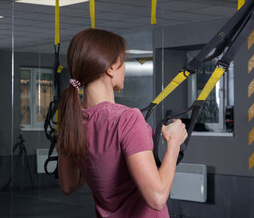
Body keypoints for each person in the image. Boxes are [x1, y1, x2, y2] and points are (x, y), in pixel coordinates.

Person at [57, 28, 188, 218]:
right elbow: (157, 198)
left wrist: (99, 161)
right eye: (122, 61)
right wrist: (174, 143)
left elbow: (68, 185)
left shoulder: (71, 120)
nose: (124, 67)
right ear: (110, 67)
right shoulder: (127, 119)